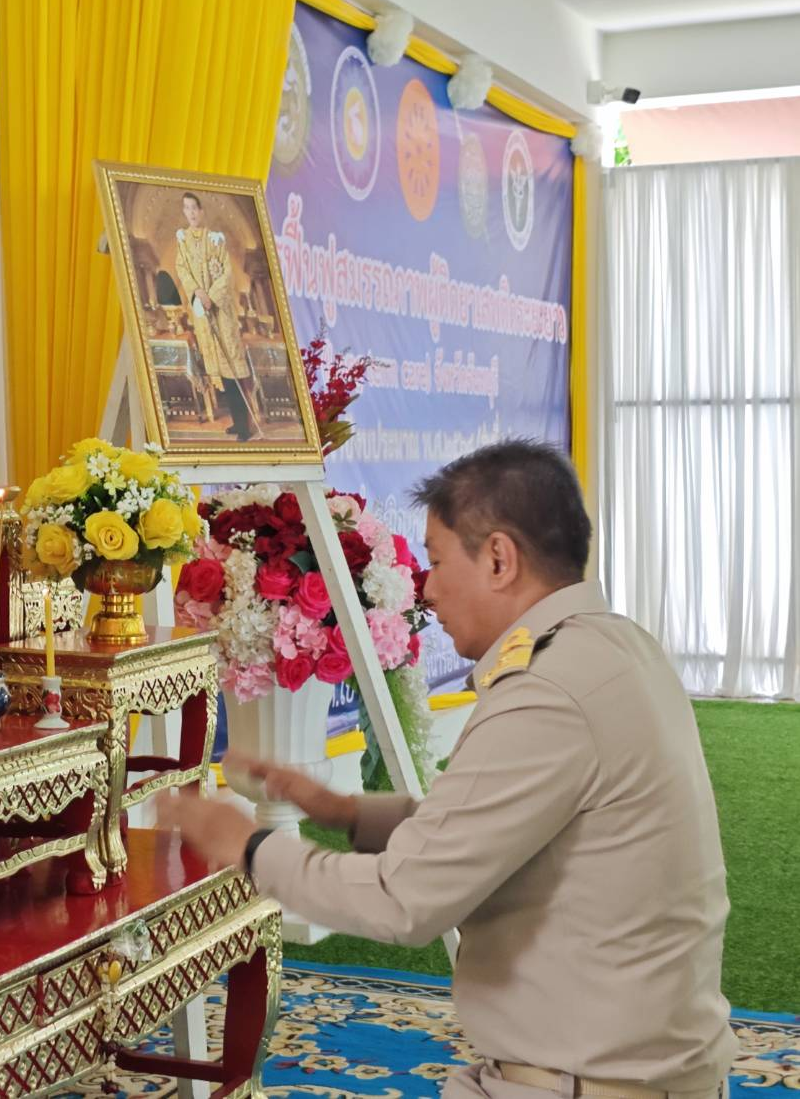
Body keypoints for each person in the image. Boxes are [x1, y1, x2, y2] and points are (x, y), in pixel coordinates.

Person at [159, 440, 736, 1099]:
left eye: (435, 561)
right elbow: (497, 825)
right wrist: (344, 811)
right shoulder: (614, 646)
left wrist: (246, 844)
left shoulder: (547, 692)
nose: (427, 590)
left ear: (498, 559)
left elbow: (401, 900)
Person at [173, 191, 257, 440]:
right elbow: (183, 270)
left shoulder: (215, 239)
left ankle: (244, 426)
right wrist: (198, 292)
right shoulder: (182, 242)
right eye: (186, 208)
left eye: (194, 208)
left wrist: (212, 296)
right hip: (203, 311)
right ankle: (237, 422)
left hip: (221, 313)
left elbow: (227, 274)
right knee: (220, 373)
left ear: (201, 211)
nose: (191, 213)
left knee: (232, 369)